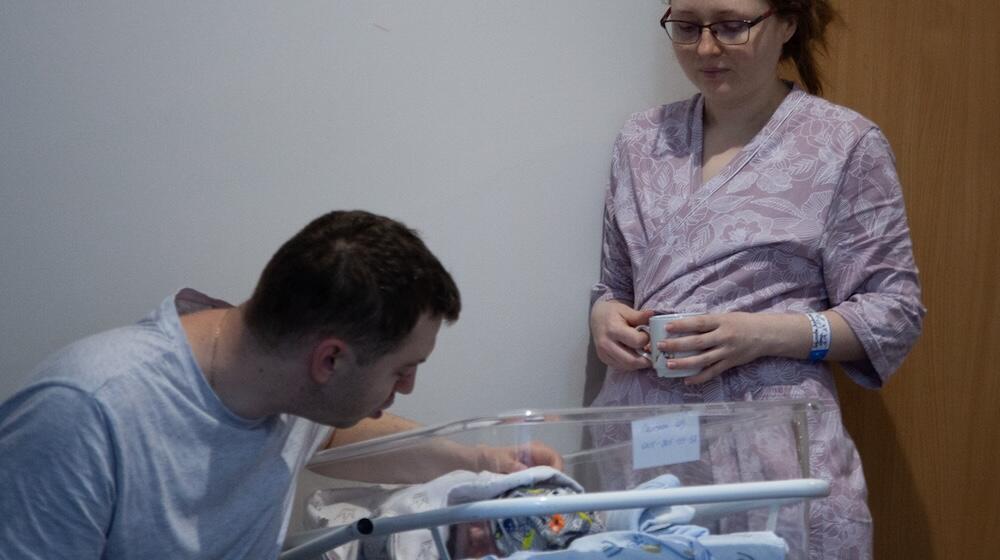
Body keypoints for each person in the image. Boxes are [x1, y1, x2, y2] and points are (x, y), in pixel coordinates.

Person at [0, 210, 558, 559]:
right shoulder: (84, 415)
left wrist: (482, 461)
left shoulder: (280, 378)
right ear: (330, 360)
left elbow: (339, 437)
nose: (407, 388)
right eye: (401, 369)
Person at [588, 1, 924, 558]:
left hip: (774, 451)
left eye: (731, 26)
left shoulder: (844, 146)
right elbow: (615, 285)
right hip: (646, 449)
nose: (705, 48)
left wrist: (762, 335)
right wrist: (604, 317)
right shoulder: (642, 139)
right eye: (688, 27)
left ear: (787, 23)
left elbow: (895, 312)